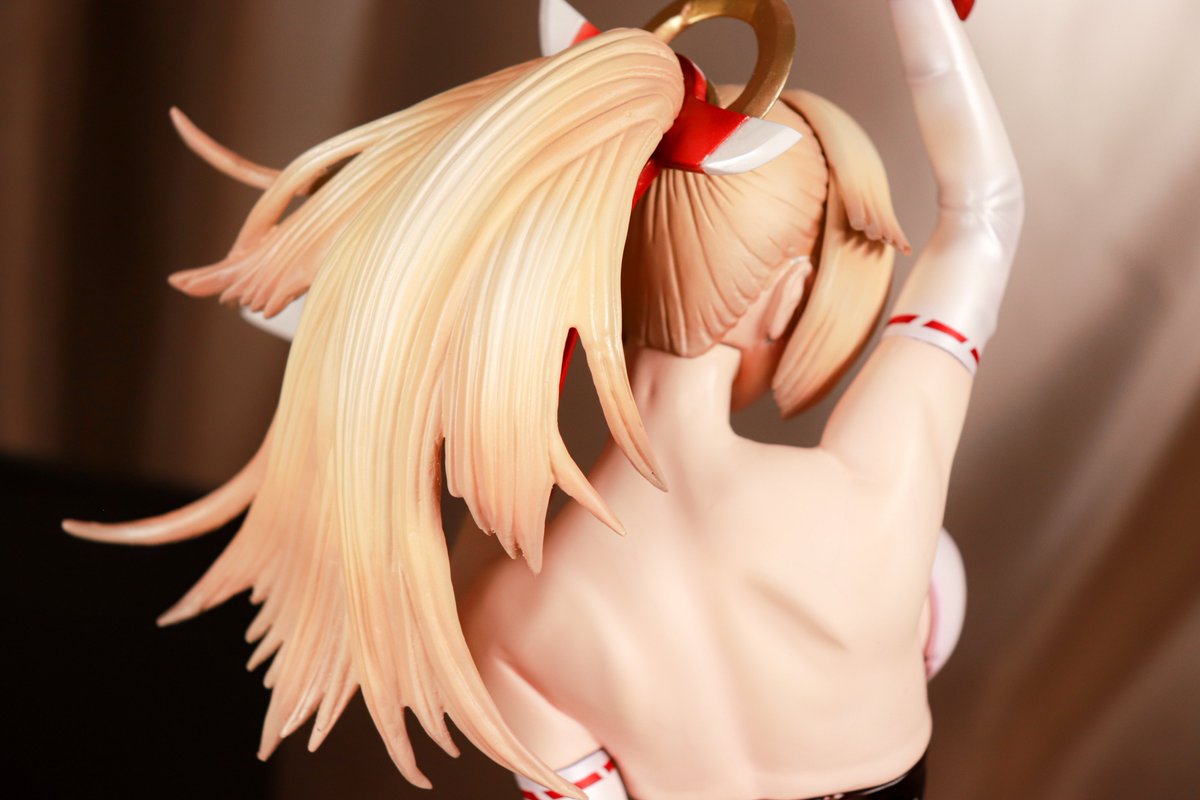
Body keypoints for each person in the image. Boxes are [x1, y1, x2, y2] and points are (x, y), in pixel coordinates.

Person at [64, 1, 1020, 798]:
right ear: (783, 297)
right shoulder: (880, 488)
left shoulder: (500, 610)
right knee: (933, 575)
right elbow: (983, 215)